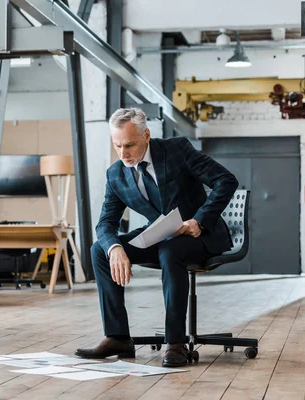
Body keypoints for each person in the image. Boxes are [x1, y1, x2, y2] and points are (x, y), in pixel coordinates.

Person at [75, 108, 238, 367]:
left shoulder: (176, 150)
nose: (123, 153)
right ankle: (117, 337)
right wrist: (115, 247)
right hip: (161, 235)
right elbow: (106, 222)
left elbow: (225, 180)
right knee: (100, 250)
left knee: (170, 251)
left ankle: (175, 343)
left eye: (129, 145)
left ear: (146, 135)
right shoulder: (115, 174)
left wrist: (199, 220)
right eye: (117, 145)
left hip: (200, 235)